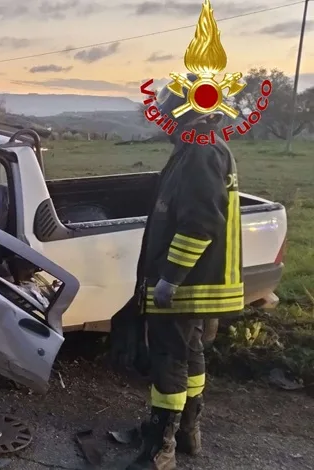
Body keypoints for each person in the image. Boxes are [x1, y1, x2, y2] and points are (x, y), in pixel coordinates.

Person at [126, 75, 244, 470]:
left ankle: (161, 448)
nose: (161, 117)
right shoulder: (199, 148)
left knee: (169, 358)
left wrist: (171, 277)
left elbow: (199, 224)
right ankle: (187, 433)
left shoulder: (200, 153)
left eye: (167, 108)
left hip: (187, 284)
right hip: (196, 284)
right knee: (190, 354)